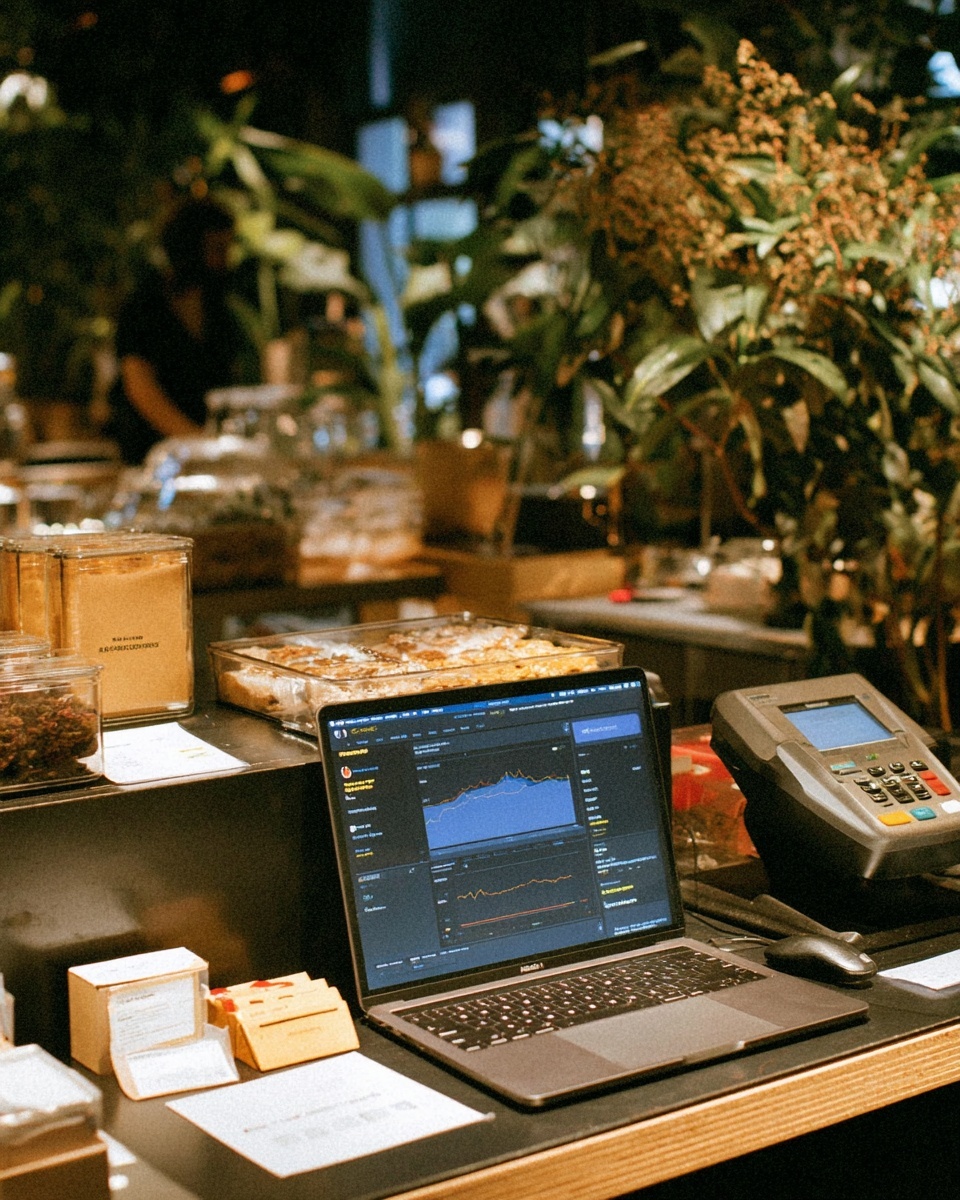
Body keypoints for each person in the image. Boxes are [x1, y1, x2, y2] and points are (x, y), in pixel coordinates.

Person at [106, 196, 250, 463]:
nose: (225, 261)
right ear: (190, 248)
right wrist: (200, 442)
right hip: (151, 459)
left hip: (205, 459)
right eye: (217, 250)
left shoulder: (219, 312)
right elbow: (140, 389)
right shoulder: (144, 307)